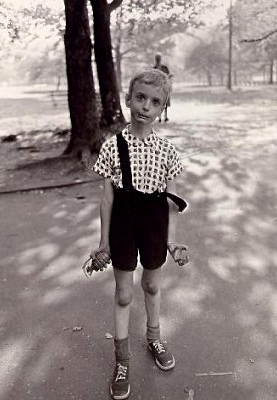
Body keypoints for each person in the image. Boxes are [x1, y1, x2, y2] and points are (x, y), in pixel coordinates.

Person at [87, 68, 189, 400]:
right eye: (140, 98)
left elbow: (173, 202)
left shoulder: (168, 152)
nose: (146, 106)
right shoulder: (112, 146)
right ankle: (122, 359)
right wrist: (103, 243)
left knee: (152, 285)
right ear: (128, 99)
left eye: (155, 102)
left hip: (155, 225)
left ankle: (154, 337)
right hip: (123, 225)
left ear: (163, 108)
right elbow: (107, 199)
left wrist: (172, 241)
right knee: (123, 294)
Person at [153, 54, 172, 122]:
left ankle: (164, 117)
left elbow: (168, 75)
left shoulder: (164, 68)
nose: (158, 60)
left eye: (158, 58)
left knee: (165, 102)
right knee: (159, 102)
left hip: (164, 87)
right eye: (157, 58)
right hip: (158, 88)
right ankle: (160, 117)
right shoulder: (154, 68)